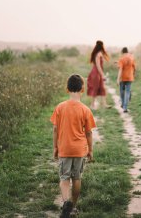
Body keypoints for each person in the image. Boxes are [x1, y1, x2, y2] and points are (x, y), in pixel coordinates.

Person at [50, 74, 96, 218]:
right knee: (76, 178)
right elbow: (88, 133)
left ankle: (65, 203)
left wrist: (55, 148)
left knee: (64, 178)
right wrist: (90, 150)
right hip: (79, 150)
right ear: (82, 89)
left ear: (67, 89)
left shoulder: (60, 107)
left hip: (64, 148)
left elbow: (55, 129)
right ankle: (73, 207)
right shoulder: (85, 109)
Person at [87, 40, 110, 110]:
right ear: (101, 46)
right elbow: (98, 66)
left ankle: (104, 104)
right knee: (95, 88)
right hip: (96, 73)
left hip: (97, 73)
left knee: (102, 88)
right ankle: (92, 105)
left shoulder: (98, 53)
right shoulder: (98, 54)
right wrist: (102, 75)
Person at [116, 47, 136, 113]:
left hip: (122, 78)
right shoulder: (132, 58)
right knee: (127, 92)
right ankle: (125, 107)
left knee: (122, 91)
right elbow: (134, 67)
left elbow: (120, 69)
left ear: (122, 52)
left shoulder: (121, 59)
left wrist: (118, 79)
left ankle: (122, 103)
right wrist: (133, 75)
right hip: (130, 77)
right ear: (127, 51)